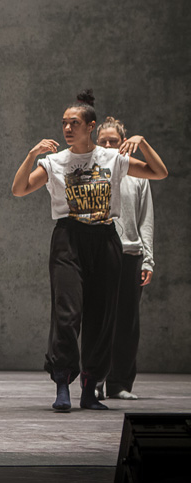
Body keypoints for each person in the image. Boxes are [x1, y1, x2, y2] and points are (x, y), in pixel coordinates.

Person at [11, 91, 167, 412]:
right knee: (67, 314)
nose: (67, 128)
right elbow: (19, 189)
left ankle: (90, 387)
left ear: (90, 126)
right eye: (64, 123)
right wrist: (31, 154)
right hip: (69, 239)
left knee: (101, 317)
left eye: (74, 123)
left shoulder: (112, 159)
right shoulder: (55, 162)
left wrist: (142, 142)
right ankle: (62, 382)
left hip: (105, 239)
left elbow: (159, 172)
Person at [95, 117, 155, 401]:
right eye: (103, 141)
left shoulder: (138, 175)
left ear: (123, 143)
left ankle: (119, 384)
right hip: (100, 254)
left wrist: (148, 259)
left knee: (127, 324)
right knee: (99, 321)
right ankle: (95, 380)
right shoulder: (92, 171)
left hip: (131, 255)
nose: (108, 145)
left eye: (113, 141)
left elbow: (146, 220)